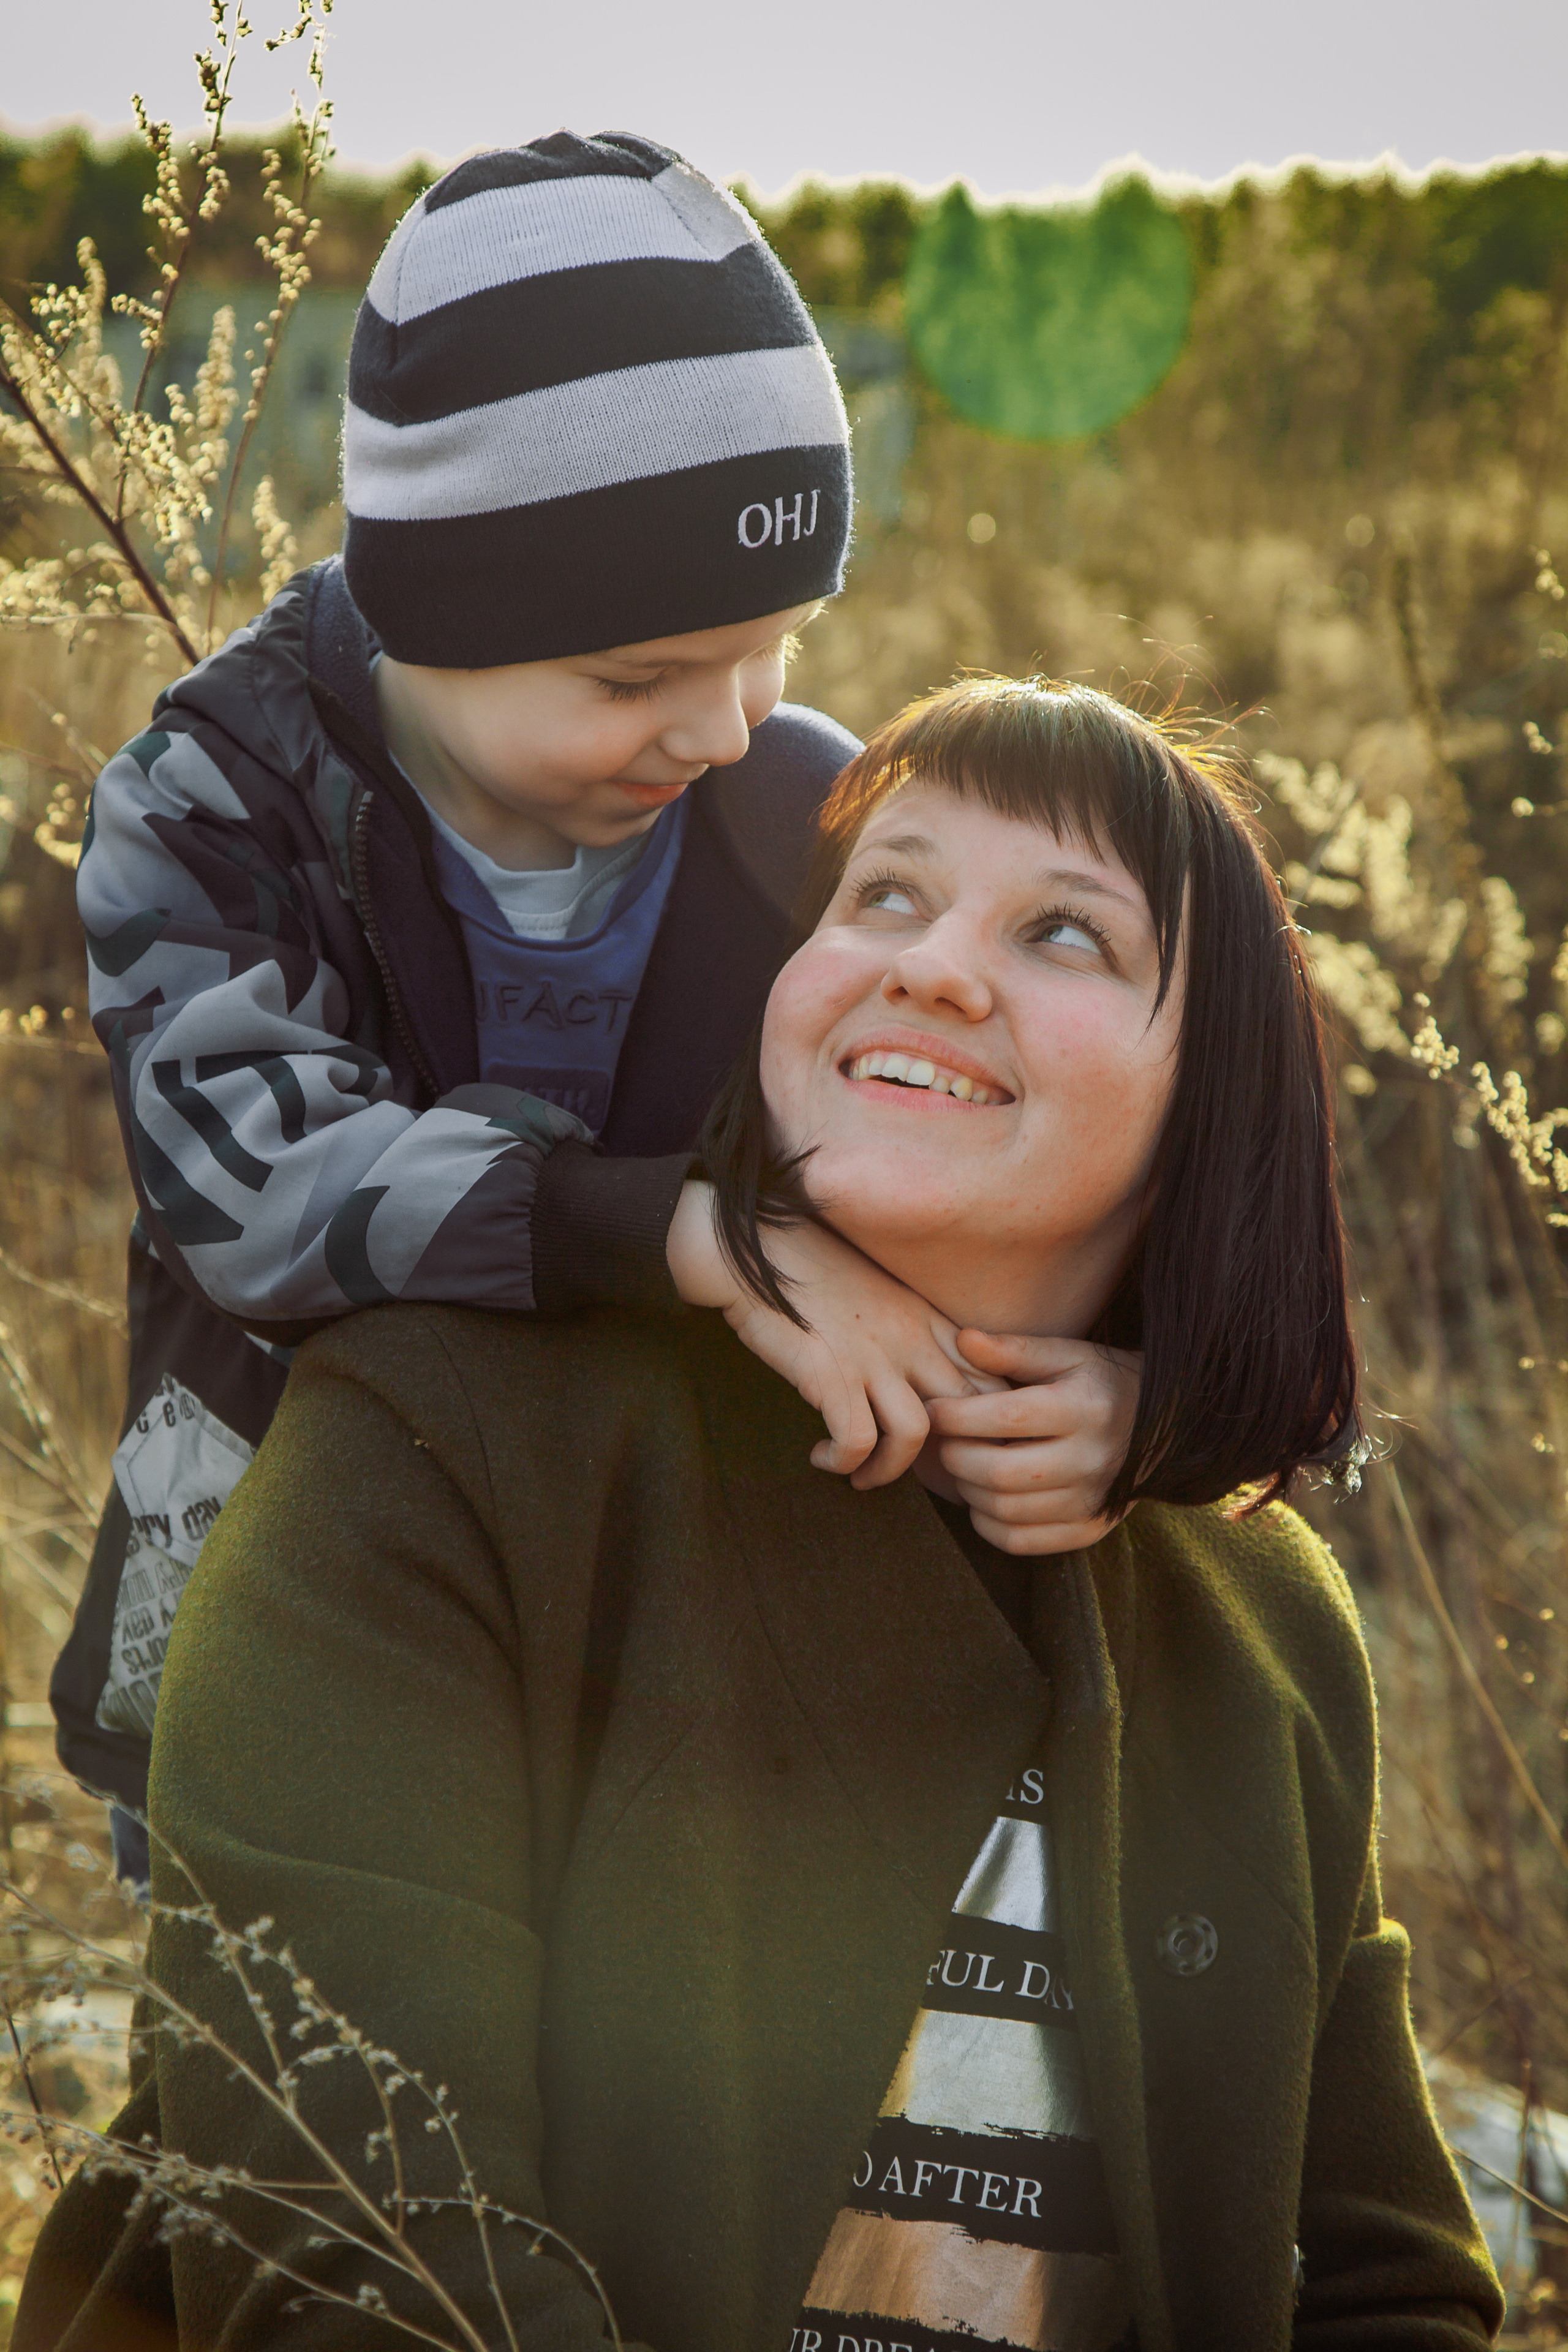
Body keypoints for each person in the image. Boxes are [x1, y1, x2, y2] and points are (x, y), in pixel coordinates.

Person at [17, 678, 1500, 2352]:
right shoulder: (443, 1446)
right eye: (884, 894)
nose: (931, 964)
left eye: (1068, 936)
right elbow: (362, 2262)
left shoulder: (1264, 1611)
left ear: (1208, 1100)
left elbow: (1396, 2289)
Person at [50, 132, 1139, 1880]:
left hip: (681, 1660)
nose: (723, 726)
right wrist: (678, 1234)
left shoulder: (800, 812)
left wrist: (1137, 1388)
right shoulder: (216, 810)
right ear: (431, 617)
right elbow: (253, 1185)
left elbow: (1002, 1134)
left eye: (772, 643)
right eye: (637, 677)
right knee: (280, 2122)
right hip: (288, 1640)